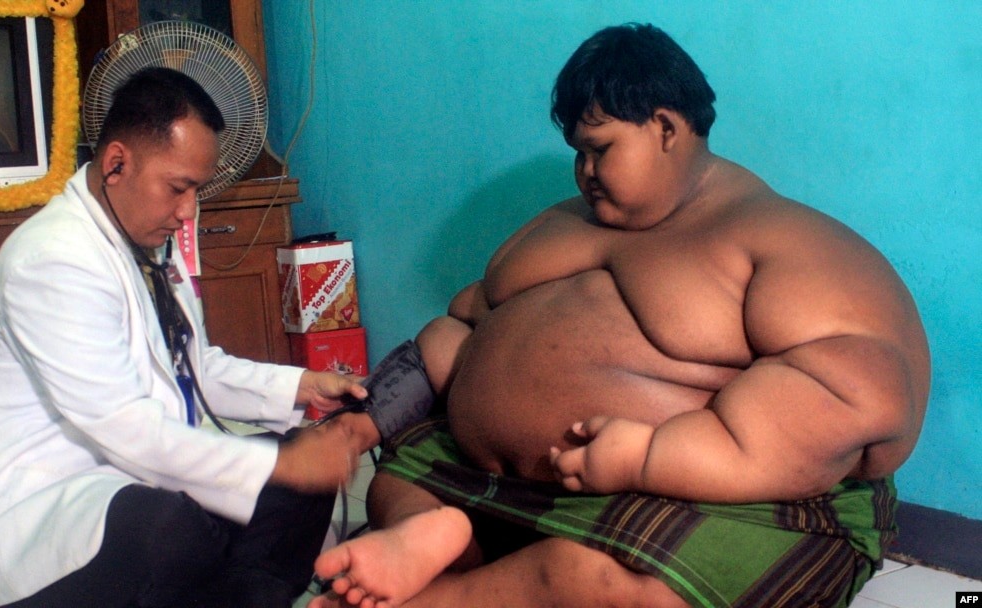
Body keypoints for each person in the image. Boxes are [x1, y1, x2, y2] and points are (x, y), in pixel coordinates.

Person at [308, 23, 930, 608]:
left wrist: (650, 456)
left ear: (666, 128)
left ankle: (444, 597)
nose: (585, 172)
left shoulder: (782, 241)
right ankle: (430, 533)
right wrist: (367, 420)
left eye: (599, 149)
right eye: (577, 153)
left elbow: (857, 393)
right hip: (504, 481)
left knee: (612, 583)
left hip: (694, 494)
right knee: (396, 481)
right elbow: (458, 331)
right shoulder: (562, 223)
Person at [0, 67, 375, 608]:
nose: (188, 211)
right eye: (178, 188)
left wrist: (304, 386)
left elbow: (195, 366)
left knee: (295, 482)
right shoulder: (51, 259)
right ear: (116, 163)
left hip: (135, 481)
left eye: (197, 190)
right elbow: (125, 428)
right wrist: (281, 465)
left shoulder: (147, 243)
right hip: (36, 513)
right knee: (174, 527)